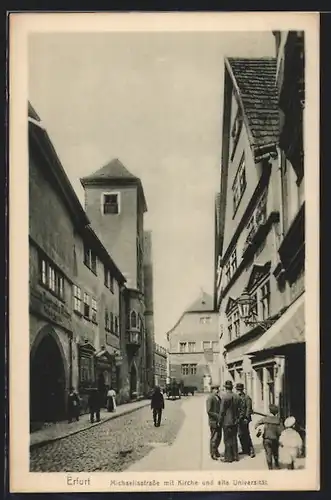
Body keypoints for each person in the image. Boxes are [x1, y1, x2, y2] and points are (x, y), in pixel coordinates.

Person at [255, 404, 284, 470]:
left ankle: (270, 467)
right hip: (275, 439)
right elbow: (281, 431)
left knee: (268, 453)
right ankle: (277, 465)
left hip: (266, 439)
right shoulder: (278, 420)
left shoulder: (265, 419)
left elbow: (256, 424)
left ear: (270, 411)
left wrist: (259, 429)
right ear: (276, 412)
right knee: (275, 452)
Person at [219, 380, 240, 463]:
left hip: (227, 421)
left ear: (225, 387)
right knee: (234, 438)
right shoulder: (236, 396)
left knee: (227, 439)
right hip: (235, 421)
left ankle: (228, 458)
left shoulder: (225, 397)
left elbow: (222, 411)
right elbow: (239, 409)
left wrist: (220, 421)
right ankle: (235, 456)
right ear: (232, 387)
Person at [236, 382, 255, 458]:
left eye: (240, 390)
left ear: (242, 390)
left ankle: (251, 450)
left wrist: (246, 418)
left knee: (246, 434)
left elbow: (248, 408)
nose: (239, 391)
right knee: (240, 435)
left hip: (244, 419)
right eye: (238, 390)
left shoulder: (247, 398)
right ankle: (244, 449)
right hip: (238, 419)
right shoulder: (236, 397)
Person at [206, 384, 222, 460]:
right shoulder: (210, 398)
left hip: (219, 421)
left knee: (219, 437)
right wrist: (218, 416)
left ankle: (216, 451)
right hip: (213, 421)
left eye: (218, 389)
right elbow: (209, 411)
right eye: (216, 389)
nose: (217, 390)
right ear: (212, 390)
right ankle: (213, 454)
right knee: (214, 438)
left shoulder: (218, 397)